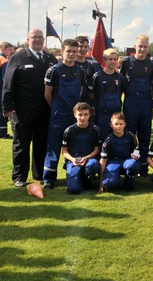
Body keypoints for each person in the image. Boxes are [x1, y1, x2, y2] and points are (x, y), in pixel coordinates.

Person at [2, 29, 57, 186]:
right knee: (22, 144)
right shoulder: (18, 57)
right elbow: (8, 84)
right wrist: (7, 106)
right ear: (28, 39)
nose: (38, 40)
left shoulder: (49, 58)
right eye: (35, 37)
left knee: (41, 143)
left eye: (40, 37)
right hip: (22, 111)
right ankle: (19, 177)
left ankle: (39, 174)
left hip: (44, 110)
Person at [42, 38, 87, 188]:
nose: (72, 54)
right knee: (53, 146)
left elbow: (80, 92)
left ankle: (73, 174)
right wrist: (56, 107)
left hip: (74, 116)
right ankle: (49, 178)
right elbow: (47, 94)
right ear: (62, 52)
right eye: (68, 51)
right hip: (58, 114)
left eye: (74, 51)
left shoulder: (80, 71)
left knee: (75, 145)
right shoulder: (53, 70)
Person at [120, 35, 153, 176]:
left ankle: (143, 166)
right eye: (140, 46)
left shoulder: (151, 64)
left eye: (145, 46)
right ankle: (130, 164)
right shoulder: (126, 62)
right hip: (131, 103)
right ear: (135, 46)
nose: (142, 49)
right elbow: (121, 83)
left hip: (146, 103)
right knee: (129, 135)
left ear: (148, 48)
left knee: (144, 136)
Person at [61, 102, 101, 194]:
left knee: (93, 165)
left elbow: (97, 149)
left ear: (90, 115)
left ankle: (87, 178)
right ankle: (79, 178)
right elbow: (64, 151)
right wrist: (72, 159)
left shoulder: (95, 130)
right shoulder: (68, 131)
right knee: (73, 190)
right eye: (80, 115)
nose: (83, 117)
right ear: (75, 114)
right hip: (74, 160)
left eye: (85, 114)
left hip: (89, 159)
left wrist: (86, 157)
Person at [99, 112, 141, 192]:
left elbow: (136, 149)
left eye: (121, 124)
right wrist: (101, 183)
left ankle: (128, 183)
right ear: (111, 125)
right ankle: (113, 179)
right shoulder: (108, 140)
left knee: (134, 165)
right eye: (116, 124)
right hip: (113, 162)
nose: (118, 126)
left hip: (127, 160)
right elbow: (103, 161)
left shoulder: (130, 136)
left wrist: (136, 155)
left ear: (125, 124)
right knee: (109, 185)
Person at [89, 48, 125, 137]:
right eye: (110, 59)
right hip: (101, 114)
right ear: (105, 60)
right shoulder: (97, 76)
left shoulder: (120, 77)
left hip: (115, 113)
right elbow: (91, 94)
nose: (113, 61)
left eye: (115, 59)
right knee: (101, 138)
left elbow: (121, 93)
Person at [75, 36, 101, 102]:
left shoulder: (91, 67)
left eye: (85, 46)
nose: (83, 49)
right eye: (80, 46)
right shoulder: (70, 65)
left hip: (86, 103)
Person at [0, 42, 15, 139]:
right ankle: (2, 133)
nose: (11, 51)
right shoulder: (4, 61)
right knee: (2, 110)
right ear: (4, 49)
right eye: (10, 49)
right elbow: (5, 78)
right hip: (1, 89)